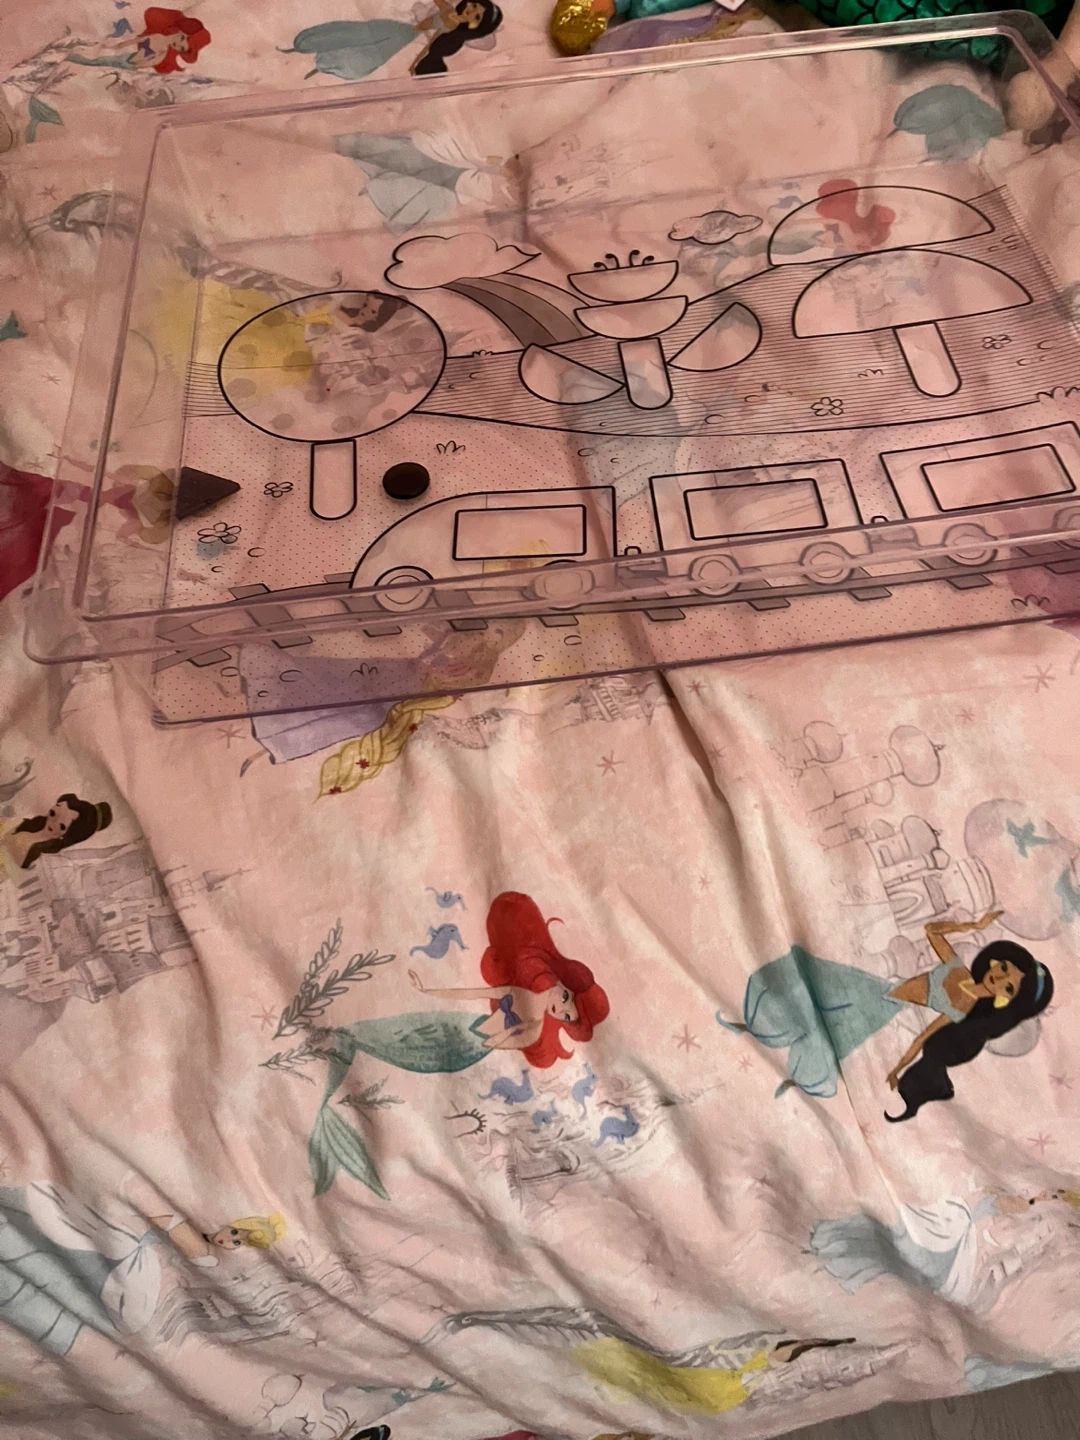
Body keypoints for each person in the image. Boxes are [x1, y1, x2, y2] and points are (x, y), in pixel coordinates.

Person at [884, 912, 1053, 1121]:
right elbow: (931, 931)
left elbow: (923, 1037)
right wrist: (974, 925)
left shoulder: (962, 1008)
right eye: (1004, 968)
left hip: (888, 1004)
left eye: (1009, 987)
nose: (999, 978)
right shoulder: (959, 971)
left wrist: (897, 1070)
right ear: (995, 961)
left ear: (1006, 1001)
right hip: (886, 990)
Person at [285, 0, 502, 84]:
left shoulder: (452, 29)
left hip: (406, 34)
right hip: (400, 28)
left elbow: (432, 45)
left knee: (372, 51)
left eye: (476, 17)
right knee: (362, 32)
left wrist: (415, 63)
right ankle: (310, 45)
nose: (471, 11)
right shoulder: (447, 9)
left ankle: (326, 63)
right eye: (475, 7)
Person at [66, 7, 212, 75]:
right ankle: (70, 56)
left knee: (98, 63)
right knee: (97, 61)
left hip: (130, 64)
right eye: (181, 39)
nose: (177, 44)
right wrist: (114, 47)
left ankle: (69, 58)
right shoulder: (158, 36)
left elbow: (150, 62)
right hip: (126, 57)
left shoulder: (163, 51)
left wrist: (134, 67)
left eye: (181, 48)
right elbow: (135, 41)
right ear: (180, 32)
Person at [0, 792, 112, 878]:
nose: (53, 822)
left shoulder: (39, 857)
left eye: (62, 826)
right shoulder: (27, 825)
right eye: (53, 813)